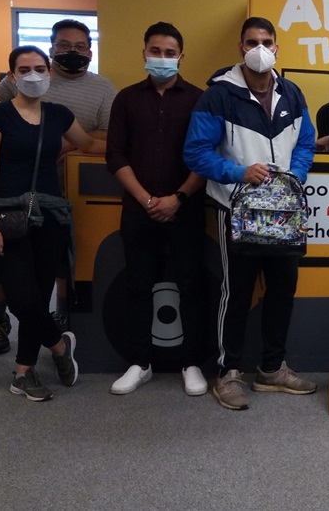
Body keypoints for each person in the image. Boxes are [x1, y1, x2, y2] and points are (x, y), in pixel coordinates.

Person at [184, 16, 317, 411]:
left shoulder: (292, 94)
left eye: (266, 41)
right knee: (236, 291)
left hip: (284, 215)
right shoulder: (218, 96)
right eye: (250, 42)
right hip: (236, 210)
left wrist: (295, 176)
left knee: (282, 289)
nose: (259, 48)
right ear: (241, 47)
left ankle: (273, 368)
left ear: (276, 47)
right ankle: (228, 373)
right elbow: (196, 153)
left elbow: (306, 142)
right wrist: (240, 173)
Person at [0, 46, 104, 401]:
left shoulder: (58, 115)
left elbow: (90, 143)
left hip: (50, 216)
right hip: (7, 217)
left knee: (40, 291)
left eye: (39, 68)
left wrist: (135, 149)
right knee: (21, 297)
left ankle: (23, 371)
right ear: (12, 76)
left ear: (49, 72)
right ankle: (60, 346)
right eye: (24, 69)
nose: (33, 75)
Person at [0, 19, 116, 346]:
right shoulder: (8, 99)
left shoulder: (93, 93)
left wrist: (72, 143)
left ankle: (51, 321)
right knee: (8, 269)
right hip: (9, 196)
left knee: (54, 265)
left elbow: (100, 138)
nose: (73, 52)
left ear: (90, 50)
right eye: (64, 46)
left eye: (80, 47)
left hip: (63, 192)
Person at [105, 22, 207, 396]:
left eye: (169, 52)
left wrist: (177, 198)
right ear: (144, 53)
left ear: (181, 57)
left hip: (187, 207)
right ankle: (139, 362)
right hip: (139, 209)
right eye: (155, 51)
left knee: (191, 286)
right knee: (137, 285)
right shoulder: (127, 99)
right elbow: (115, 154)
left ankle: (191, 362)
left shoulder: (200, 99)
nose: (161, 58)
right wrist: (147, 200)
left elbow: (207, 155)